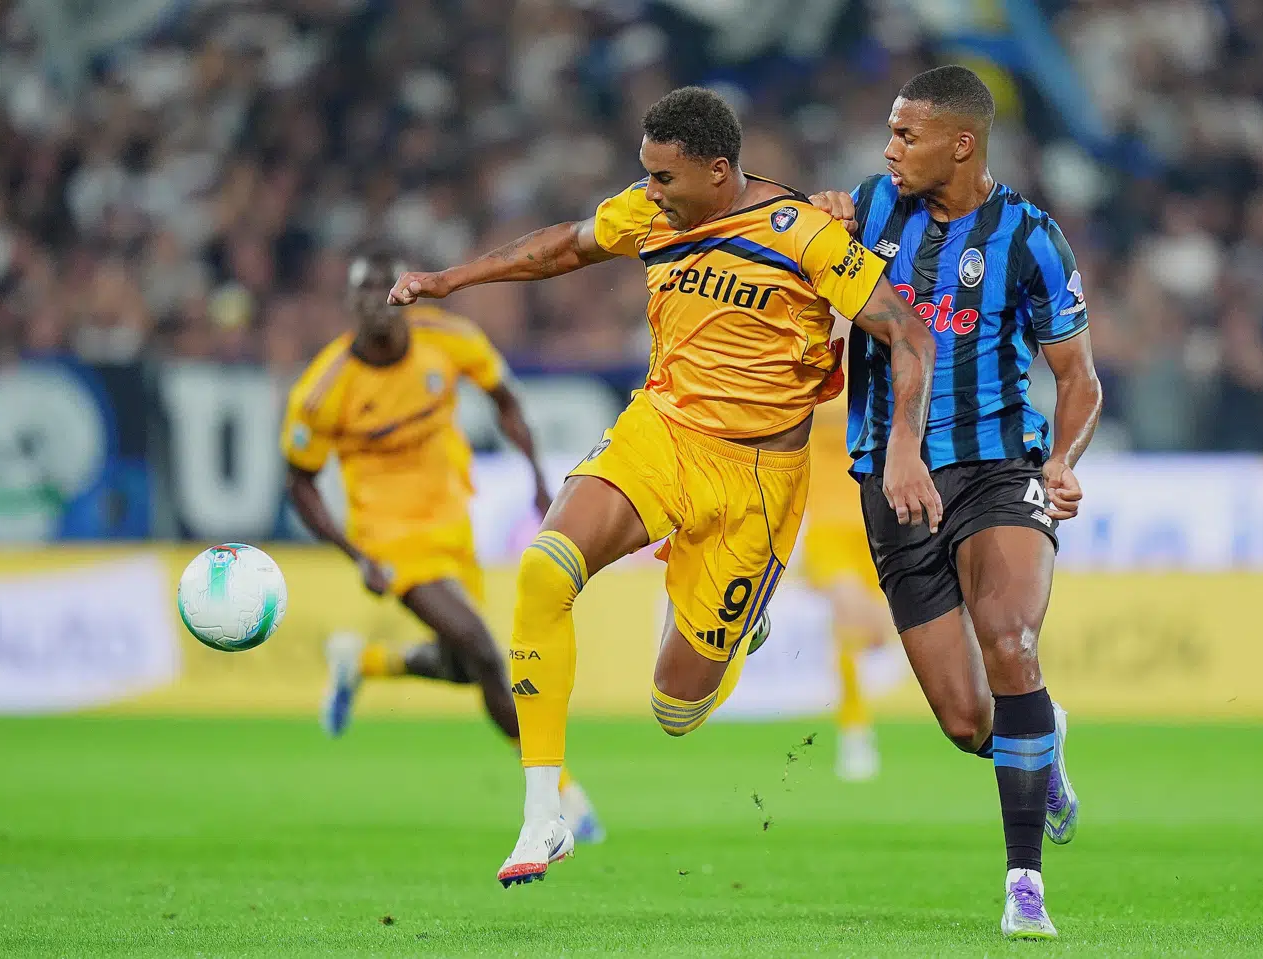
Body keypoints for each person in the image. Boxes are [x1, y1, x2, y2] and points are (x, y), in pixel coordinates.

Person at [387, 86, 940, 888]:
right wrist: (450, 280)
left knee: (675, 709)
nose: (649, 191)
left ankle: (743, 615)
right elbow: (561, 248)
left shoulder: (802, 233)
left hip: (758, 480)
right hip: (663, 430)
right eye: (644, 174)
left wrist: (904, 446)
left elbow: (906, 331)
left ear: (720, 172)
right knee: (546, 568)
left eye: (664, 178)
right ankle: (545, 809)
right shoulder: (651, 214)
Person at [811, 66, 1103, 939]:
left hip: (995, 471)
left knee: (1011, 641)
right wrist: (815, 226)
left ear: (960, 143)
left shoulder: (1031, 238)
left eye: (906, 136)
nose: (889, 150)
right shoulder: (868, 210)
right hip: (888, 486)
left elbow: (1078, 375)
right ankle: (1038, 748)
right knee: (968, 717)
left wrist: (1061, 460)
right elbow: (806, 260)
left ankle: (1024, 886)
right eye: (891, 133)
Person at [280, 251, 603, 843]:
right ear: (348, 304)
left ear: (404, 294)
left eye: (386, 283)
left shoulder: (448, 339)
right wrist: (356, 555)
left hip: (454, 525)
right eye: (363, 287)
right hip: (390, 540)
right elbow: (298, 481)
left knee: (463, 666)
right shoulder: (324, 390)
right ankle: (562, 799)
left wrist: (534, 475)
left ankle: (366, 661)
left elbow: (504, 397)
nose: (377, 295)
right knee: (485, 654)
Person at [802, 377, 897, 782]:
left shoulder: (883, 373)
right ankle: (855, 732)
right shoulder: (805, 374)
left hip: (876, 525)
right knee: (846, 616)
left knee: (874, 634)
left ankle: (857, 725)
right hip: (827, 529)